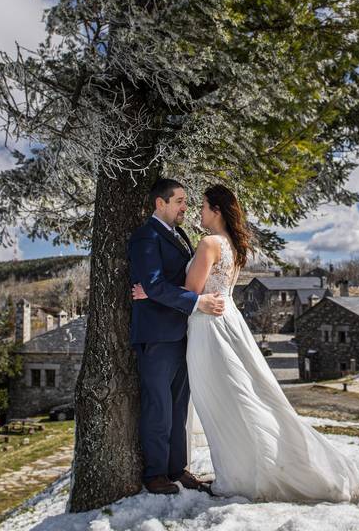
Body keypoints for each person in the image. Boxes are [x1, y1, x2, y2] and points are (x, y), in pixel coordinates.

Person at [133, 183, 359, 503]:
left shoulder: (205, 242)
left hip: (206, 327)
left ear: (216, 211)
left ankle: (187, 468)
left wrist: (153, 290)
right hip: (207, 325)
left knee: (216, 399)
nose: (191, 210)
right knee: (208, 399)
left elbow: (191, 288)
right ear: (160, 203)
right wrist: (155, 288)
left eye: (197, 205)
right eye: (182, 202)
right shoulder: (224, 244)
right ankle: (163, 471)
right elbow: (182, 287)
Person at [127, 178, 225, 495]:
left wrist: (160, 295)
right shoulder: (145, 237)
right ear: (161, 203)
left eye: (186, 200)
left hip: (182, 331)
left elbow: (173, 280)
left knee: (180, 406)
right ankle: (156, 474)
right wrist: (196, 302)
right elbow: (154, 285)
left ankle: (176, 468)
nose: (185, 206)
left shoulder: (179, 235)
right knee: (159, 406)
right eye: (180, 200)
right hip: (156, 335)